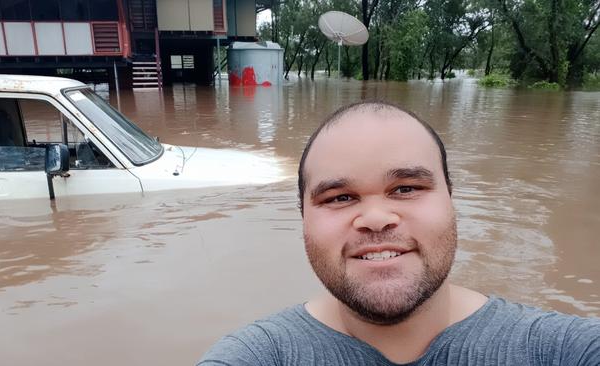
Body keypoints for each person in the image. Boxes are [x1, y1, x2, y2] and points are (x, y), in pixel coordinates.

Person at [197, 101, 600, 365]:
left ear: (451, 199)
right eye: (339, 197)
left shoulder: (560, 350)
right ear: (302, 218)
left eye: (406, 189)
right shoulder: (259, 356)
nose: (375, 218)